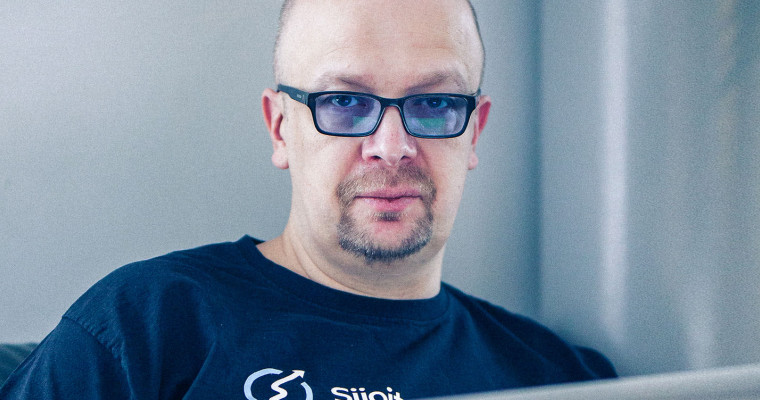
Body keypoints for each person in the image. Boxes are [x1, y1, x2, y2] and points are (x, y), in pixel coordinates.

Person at [0, 0, 616, 399]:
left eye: (434, 103)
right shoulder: (146, 324)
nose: (392, 147)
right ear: (280, 129)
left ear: (473, 132)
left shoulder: (557, 377)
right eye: (344, 102)